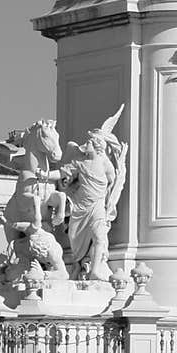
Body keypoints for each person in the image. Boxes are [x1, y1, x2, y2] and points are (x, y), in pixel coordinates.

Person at [57, 109, 127, 282]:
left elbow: (112, 180)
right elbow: (61, 173)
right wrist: (44, 175)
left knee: (100, 238)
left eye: (88, 142)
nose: (85, 144)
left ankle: (95, 270)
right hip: (81, 207)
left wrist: (107, 198)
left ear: (96, 145)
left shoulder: (104, 163)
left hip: (97, 206)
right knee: (77, 239)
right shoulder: (80, 163)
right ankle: (78, 265)